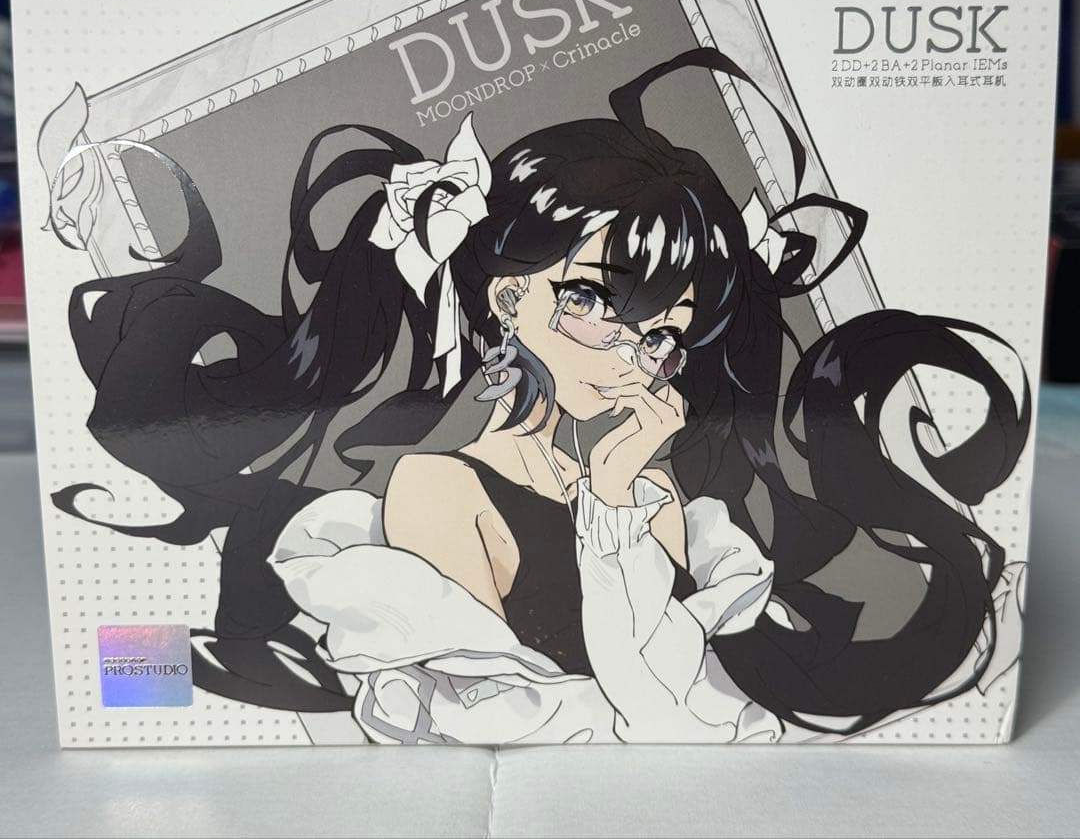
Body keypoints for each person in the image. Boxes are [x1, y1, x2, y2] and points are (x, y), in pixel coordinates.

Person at [48, 48, 1030, 743]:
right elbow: (618, 712)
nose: (635, 351)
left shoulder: (652, 489)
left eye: (665, 331)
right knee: (136, 672)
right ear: (509, 296)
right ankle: (132, 670)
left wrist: (623, 495)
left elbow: (698, 701)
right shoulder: (439, 487)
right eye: (597, 301)